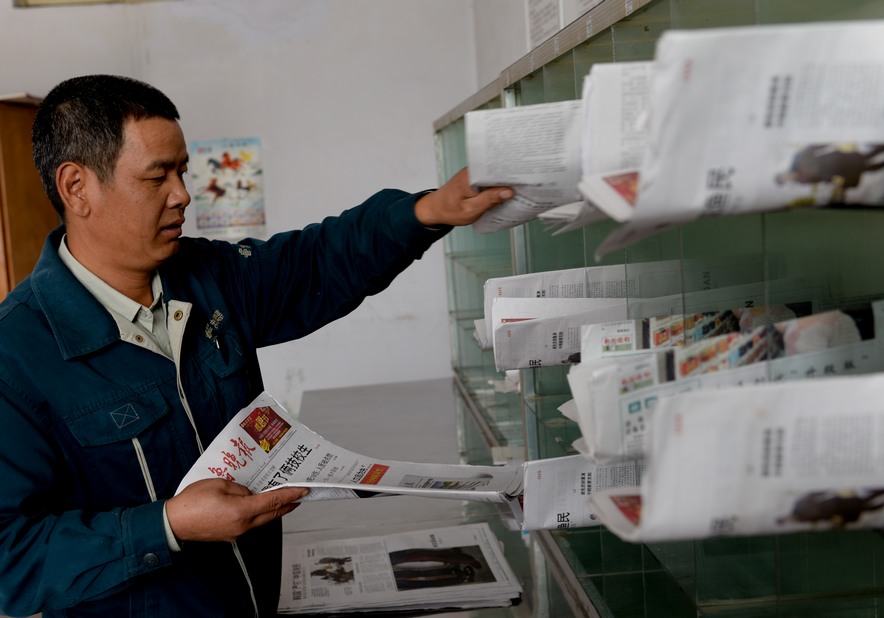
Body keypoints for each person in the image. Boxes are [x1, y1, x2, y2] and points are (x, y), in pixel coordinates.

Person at [0, 74, 514, 618]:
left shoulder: (208, 277)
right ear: (77, 187)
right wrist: (168, 526)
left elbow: (315, 259)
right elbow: (10, 559)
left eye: (182, 172)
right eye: (157, 176)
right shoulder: (17, 357)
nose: (182, 195)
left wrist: (427, 211)